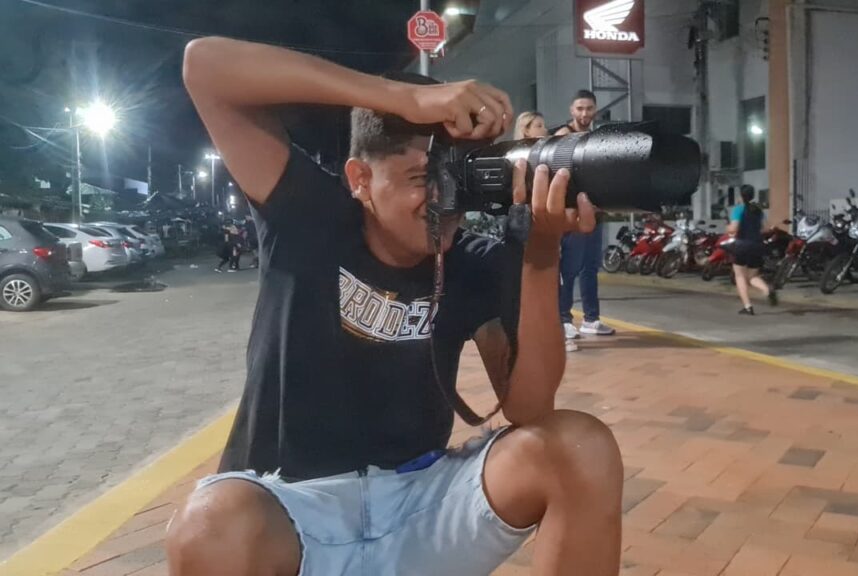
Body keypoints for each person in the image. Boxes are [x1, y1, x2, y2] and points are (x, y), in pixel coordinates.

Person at [168, 37, 623, 576]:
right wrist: (401, 98)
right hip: (293, 510)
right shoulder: (308, 213)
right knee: (209, 523)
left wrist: (541, 254)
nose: (443, 203)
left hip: (418, 506)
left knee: (580, 447)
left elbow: (529, 408)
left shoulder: (470, 260)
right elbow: (205, 66)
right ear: (360, 179)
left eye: (454, 181)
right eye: (420, 179)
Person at [554, 90, 614, 345]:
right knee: (569, 269)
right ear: (572, 110)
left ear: (595, 110)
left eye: (589, 108)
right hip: (573, 215)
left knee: (590, 267)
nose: (584, 113)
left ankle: (591, 319)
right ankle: (563, 319)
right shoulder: (563, 135)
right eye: (580, 108)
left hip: (595, 212)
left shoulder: (597, 137)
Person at [729, 185, 777, 315]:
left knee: (740, 276)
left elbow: (734, 228)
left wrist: (728, 228)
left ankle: (748, 306)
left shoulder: (738, 209)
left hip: (742, 245)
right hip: (757, 245)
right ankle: (767, 290)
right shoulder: (758, 210)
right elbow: (766, 228)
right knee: (752, 276)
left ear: (741, 195)